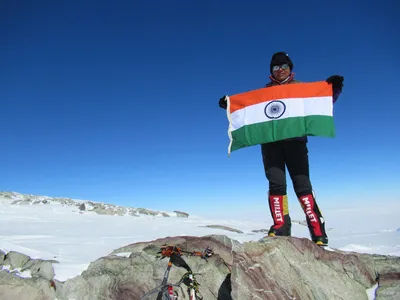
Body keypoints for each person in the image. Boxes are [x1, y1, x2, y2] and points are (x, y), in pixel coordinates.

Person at [218, 52, 344, 246]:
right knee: (276, 185)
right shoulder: (264, 94)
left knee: (302, 185)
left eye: (284, 66)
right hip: (271, 146)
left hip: (295, 144)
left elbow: (318, 103)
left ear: (290, 68)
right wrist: (230, 105)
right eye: (276, 67)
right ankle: (281, 226)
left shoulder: (300, 88)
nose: (280, 70)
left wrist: (331, 91)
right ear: (271, 71)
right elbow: (249, 111)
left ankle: (317, 229)